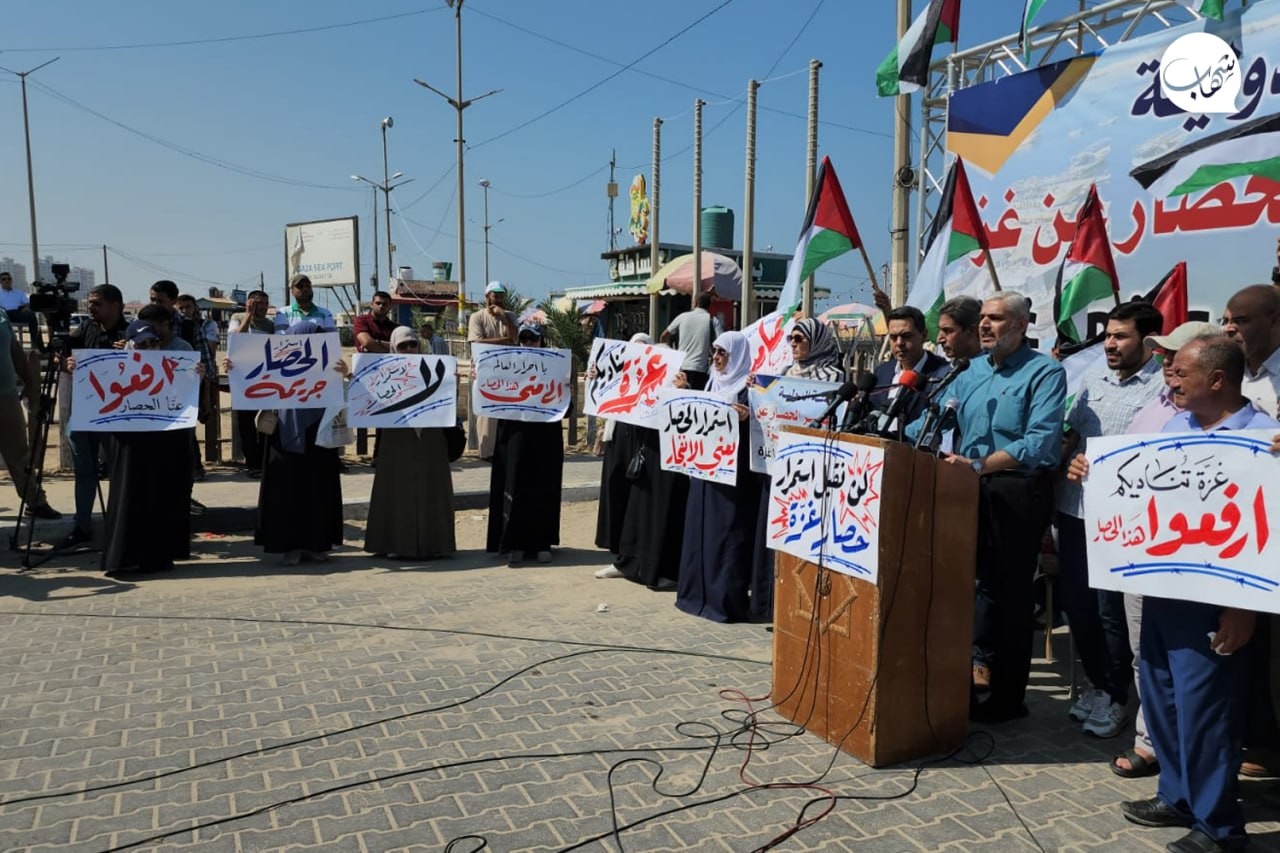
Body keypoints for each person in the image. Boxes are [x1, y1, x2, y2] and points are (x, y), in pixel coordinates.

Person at [1070, 336, 1273, 853]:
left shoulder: (1262, 440)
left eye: (1181, 372)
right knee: (1161, 698)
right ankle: (1177, 797)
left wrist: (1243, 609)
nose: (1170, 380)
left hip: (1216, 602)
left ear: (1217, 379)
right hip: (1158, 590)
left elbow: (1265, 533)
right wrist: (1093, 474)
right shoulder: (1174, 427)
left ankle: (1220, 828)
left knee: (1208, 713)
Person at [1066, 320, 1221, 779]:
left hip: (1195, 556)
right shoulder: (1159, 407)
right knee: (1145, 652)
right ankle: (1152, 741)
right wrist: (1086, 466)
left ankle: (1190, 761)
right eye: (1165, 356)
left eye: (1177, 357)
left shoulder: (1235, 418)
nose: (1167, 364)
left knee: (1189, 662)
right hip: (1139, 545)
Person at [907, 291, 1066, 723]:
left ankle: (1008, 698)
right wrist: (889, 432)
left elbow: (1040, 442)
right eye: (982, 317)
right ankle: (959, 683)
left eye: (995, 318)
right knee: (963, 588)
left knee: (1008, 595)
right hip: (964, 487)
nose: (984, 325)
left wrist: (978, 465)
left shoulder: (1044, 372)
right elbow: (931, 420)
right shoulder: (969, 370)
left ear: (1021, 325)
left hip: (1015, 491)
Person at [1056, 301, 1165, 739]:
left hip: (1124, 520)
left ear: (1149, 340)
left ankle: (1119, 696)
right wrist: (1068, 459)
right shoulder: (1092, 379)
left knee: (1111, 613)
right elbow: (1073, 434)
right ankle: (1099, 684)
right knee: (1078, 606)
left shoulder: (1163, 387)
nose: (1110, 345)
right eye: (1108, 336)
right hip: (1076, 508)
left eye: (1121, 336)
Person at [1222, 284, 1280, 779]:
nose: (1230, 329)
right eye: (1227, 320)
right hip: (1242, 533)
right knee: (1254, 648)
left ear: (1275, 321)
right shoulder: (1238, 377)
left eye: (1240, 320)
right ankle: (1260, 739)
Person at [98, 320, 197, 577]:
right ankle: (124, 557)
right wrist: (74, 368)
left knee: (159, 495)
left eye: (153, 343)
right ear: (131, 345)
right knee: (129, 494)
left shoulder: (171, 367)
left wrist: (195, 374)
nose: (149, 348)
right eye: (142, 344)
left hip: (162, 441)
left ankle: (157, 556)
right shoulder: (115, 367)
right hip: (129, 442)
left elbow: (183, 395)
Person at [675, 330, 762, 623]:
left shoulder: (750, 388)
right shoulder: (714, 381)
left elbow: (764, 429)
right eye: (714, 351)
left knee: (726, 535)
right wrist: (685, 391)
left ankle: (724, 601)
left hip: (733, 478)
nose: (716, 357)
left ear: (736, 355)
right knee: (700, 531)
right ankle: (695, 596)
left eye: (722, 352)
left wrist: (748, 417)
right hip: (705, 473)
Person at [251, 320, 347, 565]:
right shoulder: (277, 363)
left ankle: (317, 544)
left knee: (318, 491)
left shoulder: (330, 367)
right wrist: (234, 368)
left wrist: (344, 374)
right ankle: (289, 547)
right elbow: (250, 379)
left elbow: (348, 395)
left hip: (320, 434)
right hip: (284, 433)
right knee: (286, 492)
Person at [364, 326, 456, 560]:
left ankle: (434, 544)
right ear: (394, 348)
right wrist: (350, 376)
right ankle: (394, 544)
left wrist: (452, 382)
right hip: (396, 438)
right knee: (396, 489)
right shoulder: (382, 373)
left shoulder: (434, 368)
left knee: (432, 488)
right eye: (402, 345)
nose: (408, 349)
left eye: (412, 344)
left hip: (430, 436)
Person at [485, 322, 563, 566]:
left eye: (533, 340)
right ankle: (515, 544)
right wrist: (480, 379)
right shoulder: (504, 366)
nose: (529, 344)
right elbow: (489, 396)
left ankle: (541, 544)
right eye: (524, 340)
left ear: (541, 342)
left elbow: (566, 407)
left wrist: (566, 389)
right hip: (514, 436)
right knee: (514, 485)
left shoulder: (555, 367)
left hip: (546, 437)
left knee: (543, 486)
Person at [58, 283, 128, 550]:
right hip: (85, 412)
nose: (91, 307)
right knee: (84, 472)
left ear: (116, 305)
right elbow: (63, 355)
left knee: (119, 473)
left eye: (97, 303)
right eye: (90, 303)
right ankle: (82, 526)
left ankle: (120, 527)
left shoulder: (130, 332)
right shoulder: (86, 328)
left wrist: (131, 353)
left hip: (116, 416)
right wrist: (66, 364)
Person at [593, 333, 649, 562]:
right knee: (615, 485)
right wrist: (594, 378)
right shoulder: (617, 375)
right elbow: (601, 399)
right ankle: (614, 540)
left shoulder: (655, 377)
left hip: (641, 438)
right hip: (617, 436)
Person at [0, 307, 60, 519]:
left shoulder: (2, 315)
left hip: (6, 397)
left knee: (19, 455)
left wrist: (28, 381)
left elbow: (15, 351)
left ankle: (36, 501)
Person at [869, 305, 951, 429]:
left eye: (906, 336)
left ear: (923, 336)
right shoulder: (882, 372)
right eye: (893, 337)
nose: (899, 343)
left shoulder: (942, 373)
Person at [468, 282, 518, 460]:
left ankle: (506, 450)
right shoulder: (477, 317)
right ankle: (487, 452)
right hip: (485, 371)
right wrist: (505, 340)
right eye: (495, 295)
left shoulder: (510, 316)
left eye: (501, 295)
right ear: (488, 297)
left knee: (507, 411)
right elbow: (476, 342)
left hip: (507, 371)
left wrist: (504, 317)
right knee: (486, 413)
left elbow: (515, 339)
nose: (499, 299)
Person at [229, 290, 274, 477]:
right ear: (249, 303)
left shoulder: (270, 325)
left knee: (267, 422)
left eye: (265, 303)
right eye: (258, 303)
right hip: (244, 379)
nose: (262, 307)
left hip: (266, 378)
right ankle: (252, 463)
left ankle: (263, 461)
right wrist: (248, 315)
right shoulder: (237, 318)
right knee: (245, 423)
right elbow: (235, 340)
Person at [176, 294, 218, 482]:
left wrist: (206, 392)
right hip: (168, 385)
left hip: (193, 382)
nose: (185, 311)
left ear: (195, 308)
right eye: (181, 308)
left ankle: (196, 467)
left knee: (189, 426)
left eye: (188, 307)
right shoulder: (167, 326)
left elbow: (207, 361)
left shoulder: (199, 327)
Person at [660, 291, 722, 391]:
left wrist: (671, 353)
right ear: (709, 305)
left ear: (695, 302)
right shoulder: (713, 320)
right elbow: (721, 343)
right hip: (700, 370)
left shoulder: (682, 317)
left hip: (681, 368)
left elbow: (664, 336)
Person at [783, 317, 845, 382]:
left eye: (798, 338)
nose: (792, 344)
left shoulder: (832, 376)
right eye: (791, 338)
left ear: (817, 341)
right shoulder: (786, 372)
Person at [0, 271, 40, 351]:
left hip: (17, 312)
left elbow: (27, 303)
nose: (7, 281)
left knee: (31, 315)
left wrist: (27, 307)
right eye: (4, 279)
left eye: (9, 279)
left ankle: (34, 342)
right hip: (4, 314)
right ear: (0, 282)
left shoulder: (19, 292)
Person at [936, 296, 983, 361]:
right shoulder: (951, 366)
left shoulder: (994, 364)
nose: (939, 340)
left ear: (971, 330)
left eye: (948, 331)